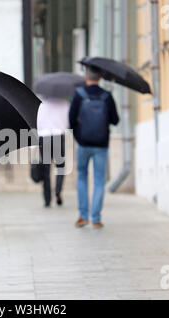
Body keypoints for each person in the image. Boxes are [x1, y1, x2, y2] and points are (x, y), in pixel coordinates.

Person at [69, 67, 119, 229]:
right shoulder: (107, 96)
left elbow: (71, 120)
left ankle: (83, 216)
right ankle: (96, 218)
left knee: (82, 177)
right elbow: (115, 120)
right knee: (99, 180)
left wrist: (78, 137)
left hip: (83, 144)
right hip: (101, 145)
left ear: (86, 77)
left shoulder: (79, 95)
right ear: (100, 78)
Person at [36, 97, 69, 207]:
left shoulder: (40, 104)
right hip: (57, 136)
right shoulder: (63, 103)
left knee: (46, 170)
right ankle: (58, 191)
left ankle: (47, 199)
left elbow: (37, 123)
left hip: (44, 137)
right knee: (60, 167)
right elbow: (67, 122)